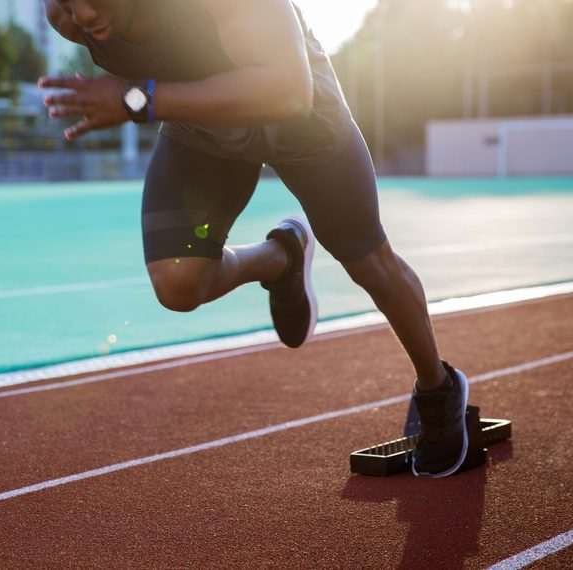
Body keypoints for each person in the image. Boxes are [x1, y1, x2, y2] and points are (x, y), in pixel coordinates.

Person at [39, 0, 469, 478]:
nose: (80, 13)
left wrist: (135, 100)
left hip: (302, 128)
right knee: (178, 284)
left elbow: (287, 92)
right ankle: (279, 258)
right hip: (205, 134)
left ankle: (438, 386)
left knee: (370, 263)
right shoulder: (69, 18)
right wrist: (136, 98)